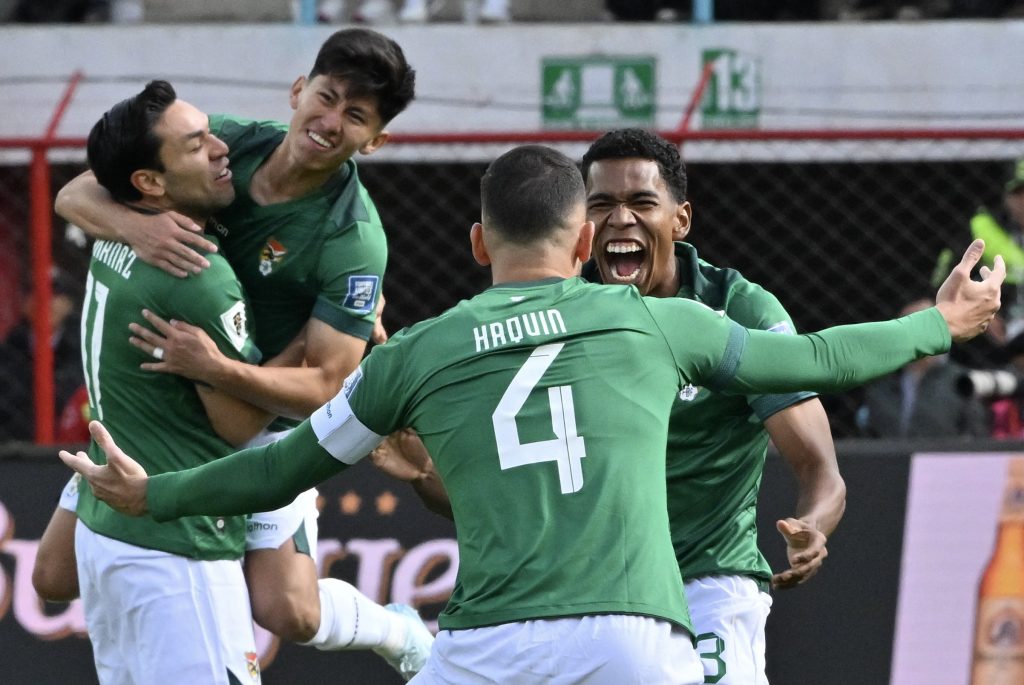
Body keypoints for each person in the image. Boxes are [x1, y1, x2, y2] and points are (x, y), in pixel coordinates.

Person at [61, 145, 1002, 684]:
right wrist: (946, 320)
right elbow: (830, 355)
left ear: (476, 242)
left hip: (484, 648)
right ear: (586, 239)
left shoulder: (418, 351)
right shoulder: (658, 322)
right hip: (635, 643)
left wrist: (157, 495)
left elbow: (281, 465)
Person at [41, 27, 431, 680]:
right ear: (299, 89)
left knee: (288, 609)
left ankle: (399, 630)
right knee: (53, 574)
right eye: (328, 97)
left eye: (356, 116)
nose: (331, 122)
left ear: (376, 140)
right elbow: (75, 193)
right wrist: (139, 222)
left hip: (259, 420)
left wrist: (217, 367)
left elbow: (330, 381)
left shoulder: (353, 237)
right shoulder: (222, 145)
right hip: (171, 403)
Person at [579, 127, 844, 683]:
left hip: (706, 582)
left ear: (681, 219)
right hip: (589, 586)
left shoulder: (737, 309)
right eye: (600, 204)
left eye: (641, 202)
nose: (620, 219)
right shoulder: (563, 312)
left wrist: (813, 527)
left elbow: (820, 469)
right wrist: (426, 477)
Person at [65, 78, 273, 685]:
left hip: (109, 538)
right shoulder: (195, 274)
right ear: (149, 183)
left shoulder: (114, 227)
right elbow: (241, 425)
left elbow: (80, 191)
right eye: (194, 145)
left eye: (209, 130)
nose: (219, 147)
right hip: (177, 549)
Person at [857, 297, 990, 439]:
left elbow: (976, 436)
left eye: (923, 325)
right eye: (905, 326)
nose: (914, 334)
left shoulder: (963, 382)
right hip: (889, 460)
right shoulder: (880, 386)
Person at [0, 267, 83, 441]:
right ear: (24, 303)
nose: (45, 301)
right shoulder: (10, 347)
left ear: (68, 304)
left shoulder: (81, 346)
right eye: (36, 293)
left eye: (54, 294)